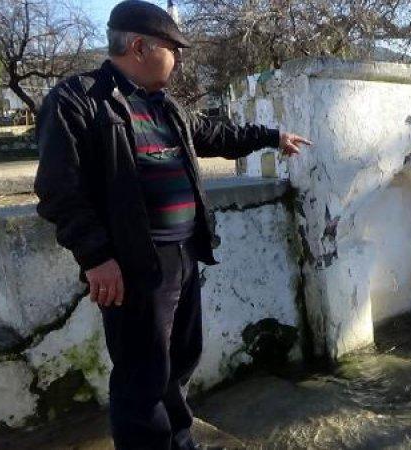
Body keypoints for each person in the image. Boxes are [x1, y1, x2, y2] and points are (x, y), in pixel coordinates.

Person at [33, 1, 311, 448]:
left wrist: (271, 137)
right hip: (133, 264)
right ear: (140, 46)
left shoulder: (164, 105)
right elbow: (58, 191)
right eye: (172, 48)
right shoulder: (76, 100)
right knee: (142, 375)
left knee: (182, 359)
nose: (179, 59)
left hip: (182, 254)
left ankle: (178, 440)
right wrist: (96, 257)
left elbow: (215, 135)